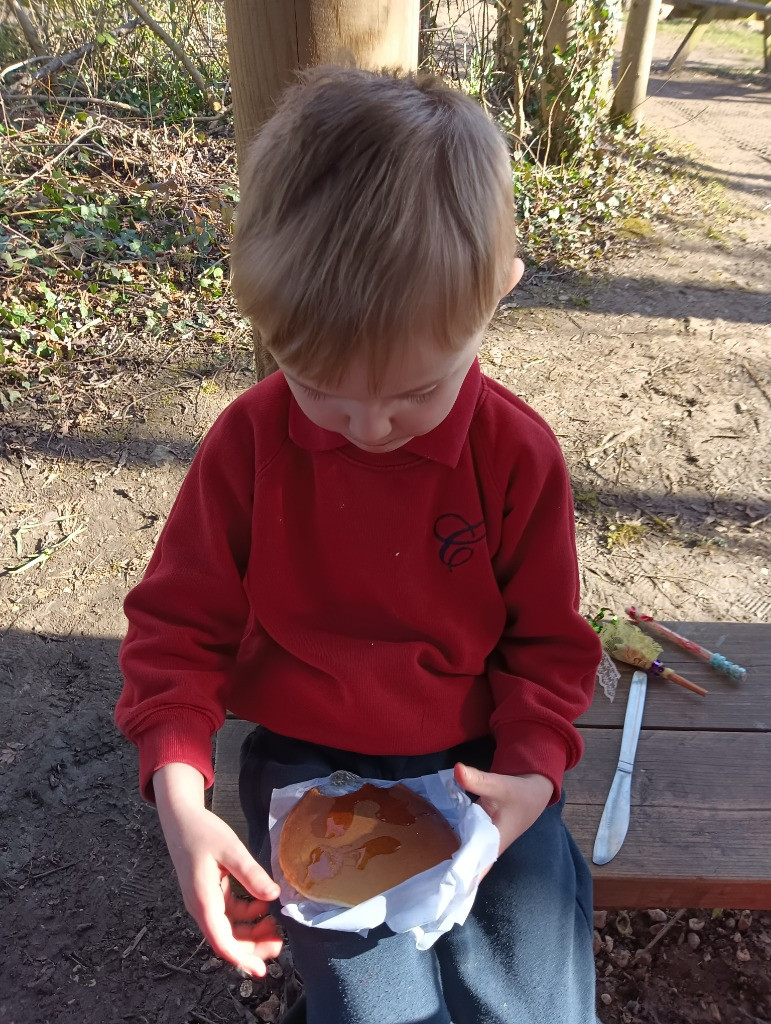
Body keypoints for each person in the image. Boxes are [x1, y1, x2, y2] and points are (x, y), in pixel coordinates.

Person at [115, 66, 602, 1024]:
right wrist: (180, 794)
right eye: (317, 386)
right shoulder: (248, 446)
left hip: (480, 761)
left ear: (498, 294)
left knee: (532, 997)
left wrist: (534, 771)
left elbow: (547, 648)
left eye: (416, 392)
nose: (368, 426)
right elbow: (177, 632)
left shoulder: (516, 455)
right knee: (374, 1007)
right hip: (310, 764)